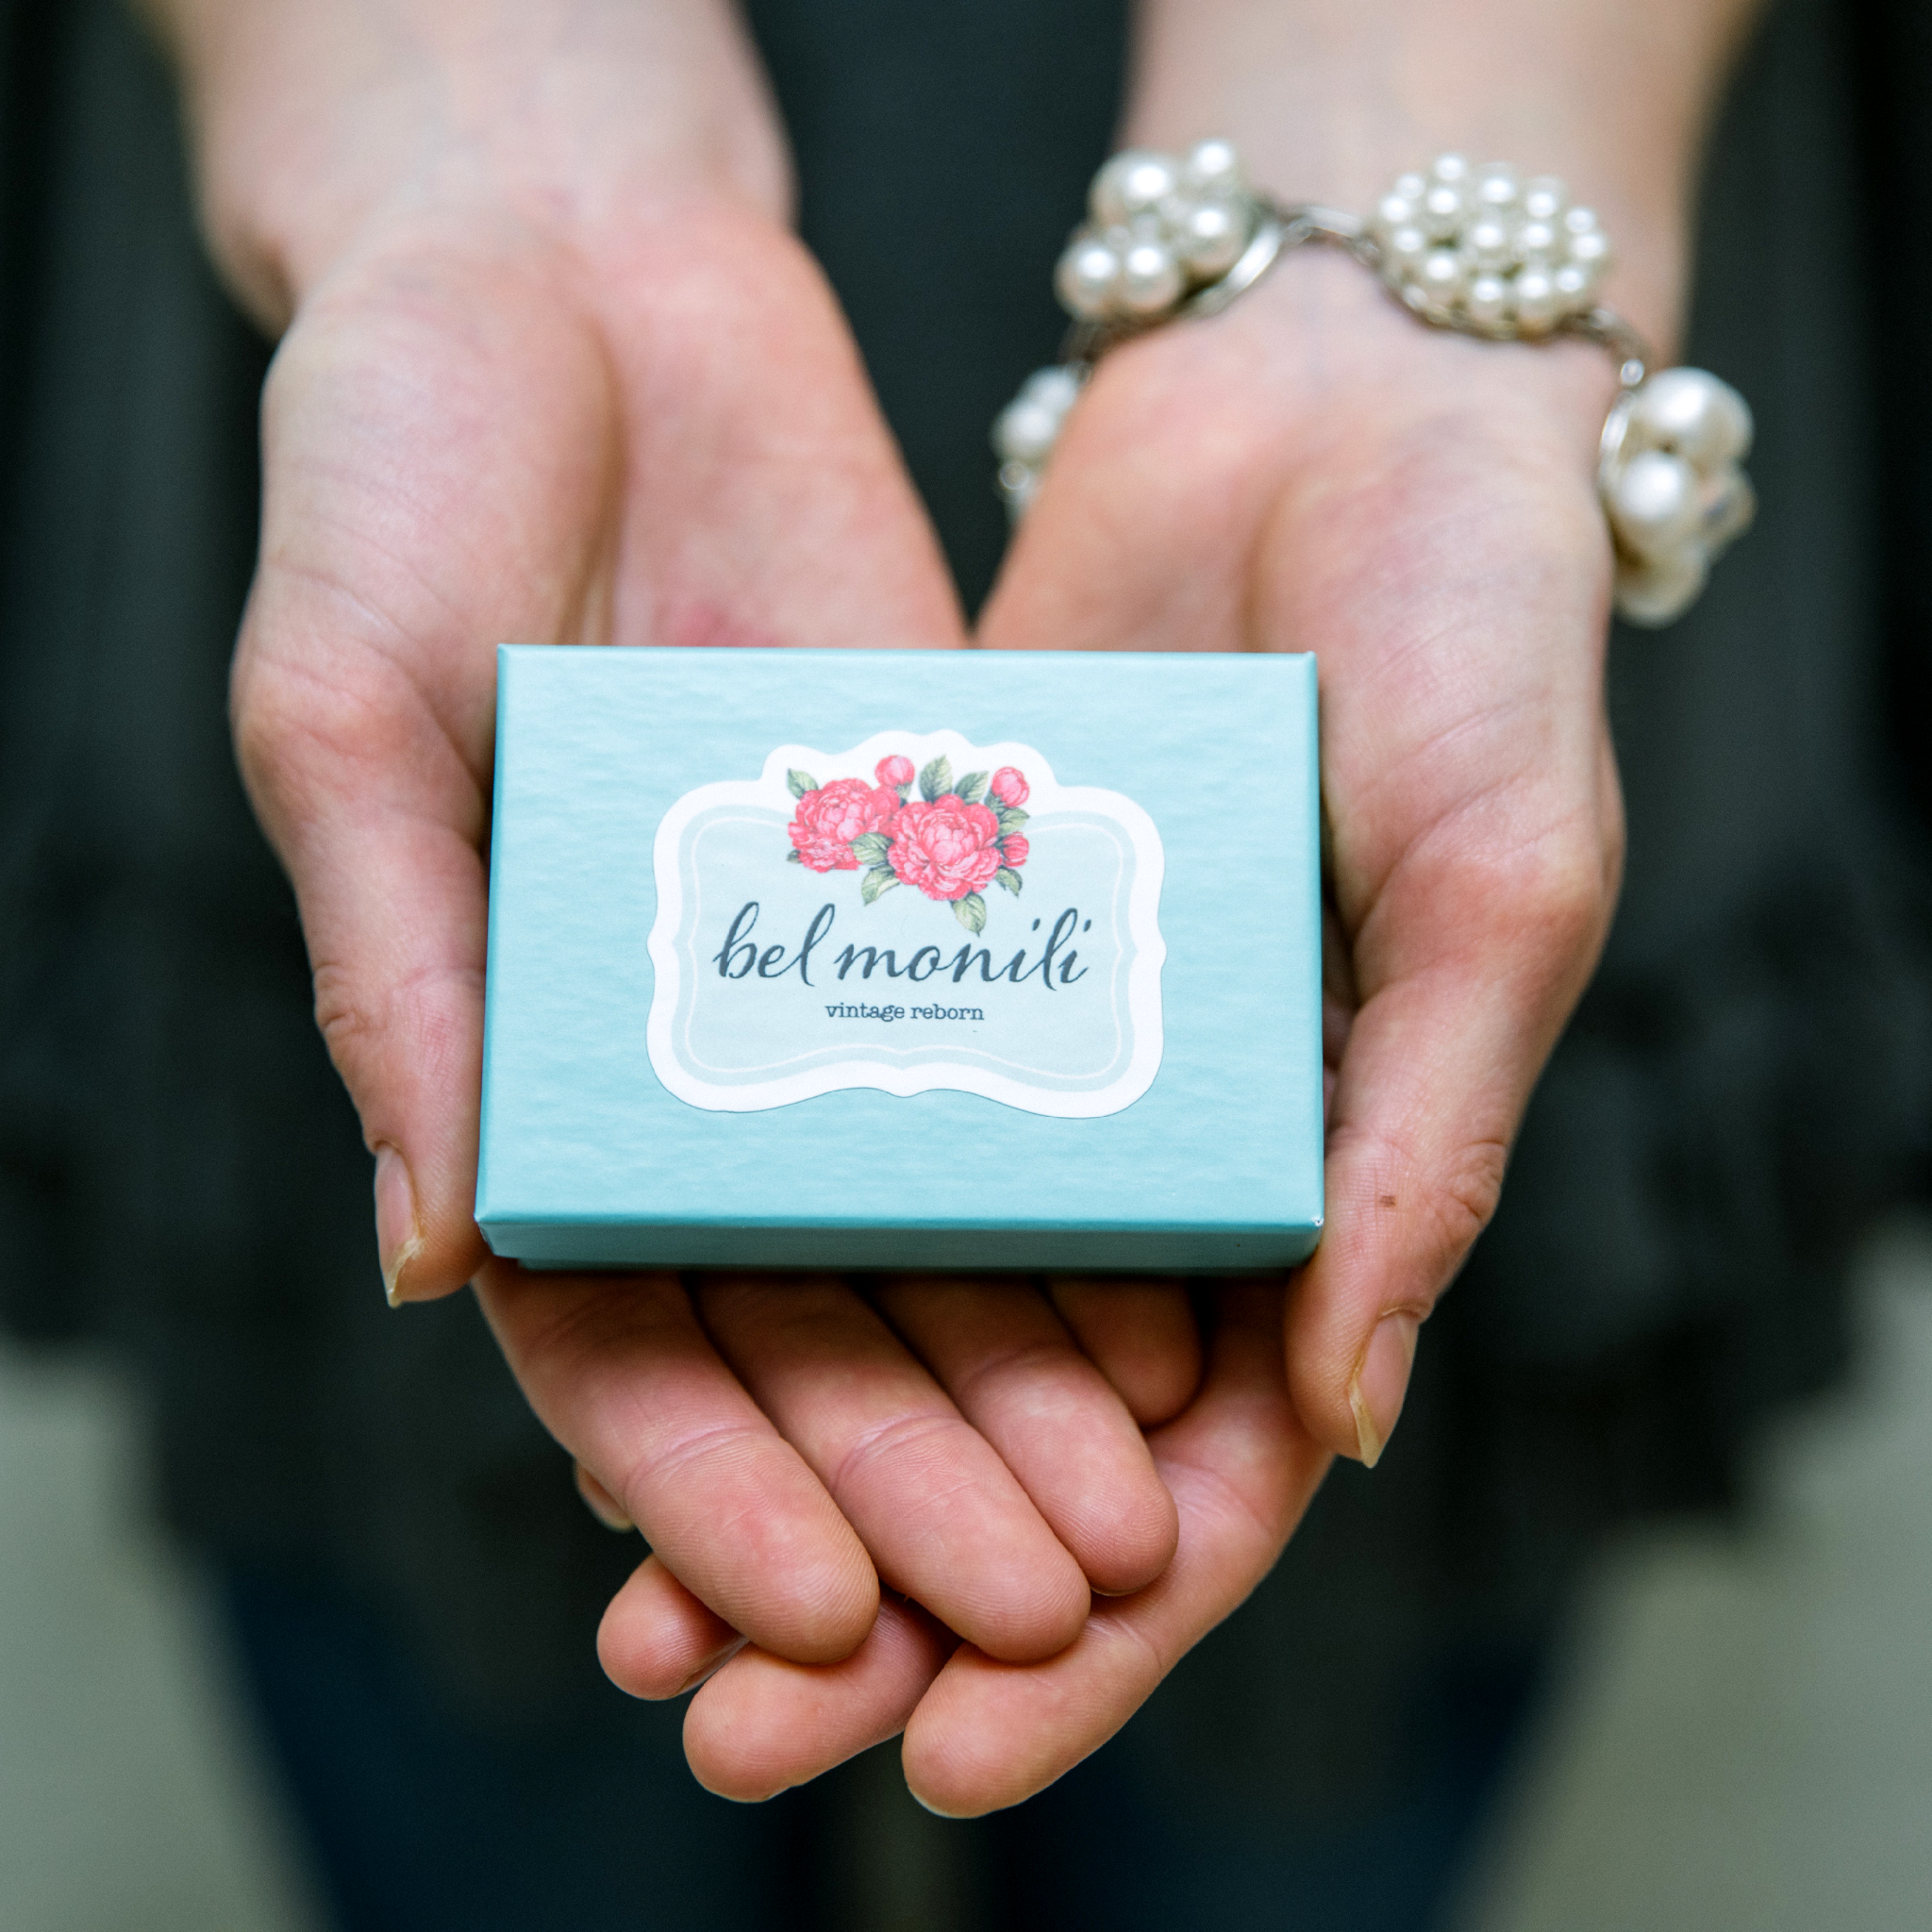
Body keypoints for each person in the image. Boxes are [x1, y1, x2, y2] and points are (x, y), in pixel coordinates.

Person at [2, 0, 1924, 1924]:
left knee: (1265, 1804)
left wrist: (1416, 126)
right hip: (489, 373)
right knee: (504, 1787)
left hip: (1431, 286)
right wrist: (462, 102)